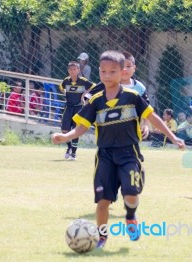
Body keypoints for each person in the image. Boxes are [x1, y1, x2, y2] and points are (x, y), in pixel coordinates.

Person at [51, 50, 185, 248]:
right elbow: (81, 126)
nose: (107, 76)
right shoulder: (96, 100)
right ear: (99, 72)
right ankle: (102, 237)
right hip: (105, 155)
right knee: (103, 201)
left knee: (131, 195)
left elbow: (153, 118)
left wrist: (173, 137)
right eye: (103, 71)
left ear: (122, 72)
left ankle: (130, 216)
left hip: (129, 153)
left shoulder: (132, 97)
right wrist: (66, 136)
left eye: (112, 72)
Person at [59, 61, 96, 160]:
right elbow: (61, 88)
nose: (72, 71)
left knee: (76, 130)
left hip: (79, 108)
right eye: (70, 69)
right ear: (68, 70)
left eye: (75, 69)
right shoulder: (66, 81)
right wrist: (66, 94)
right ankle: (69, 148)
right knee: (64, 130)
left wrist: (85, 95)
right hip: (68, 107)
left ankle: (74, 153)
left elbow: (94, 87)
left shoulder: (83, 81)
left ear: (78, 70)